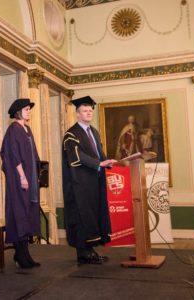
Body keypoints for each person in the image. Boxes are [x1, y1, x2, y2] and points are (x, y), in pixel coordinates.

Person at [62, 96, 117, 265]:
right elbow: (77, 156)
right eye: (85, 111)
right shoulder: (71, 134)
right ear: (77, 114)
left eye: (90, 110)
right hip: (80, 182)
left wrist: (108, 161)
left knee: (94, 215)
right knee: (82, 216)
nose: (89, 113)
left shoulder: (94, 132)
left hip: (95, 180)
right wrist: (99, 163)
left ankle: (90, 250)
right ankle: (83, 252)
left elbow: (98, 153)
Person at [0, 98, 41, 269]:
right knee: (19, 214)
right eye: (26, 109)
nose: (29, 111)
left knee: (28, 214)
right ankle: (20, 255)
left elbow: (33, 155)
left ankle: (24, 254)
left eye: (29, 109)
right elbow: (12, 155)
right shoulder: (13, 130)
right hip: (19, 180)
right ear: (18, 112)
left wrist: (36, 175)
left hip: (30, 177)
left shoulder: (27, 130)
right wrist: (22, 177)